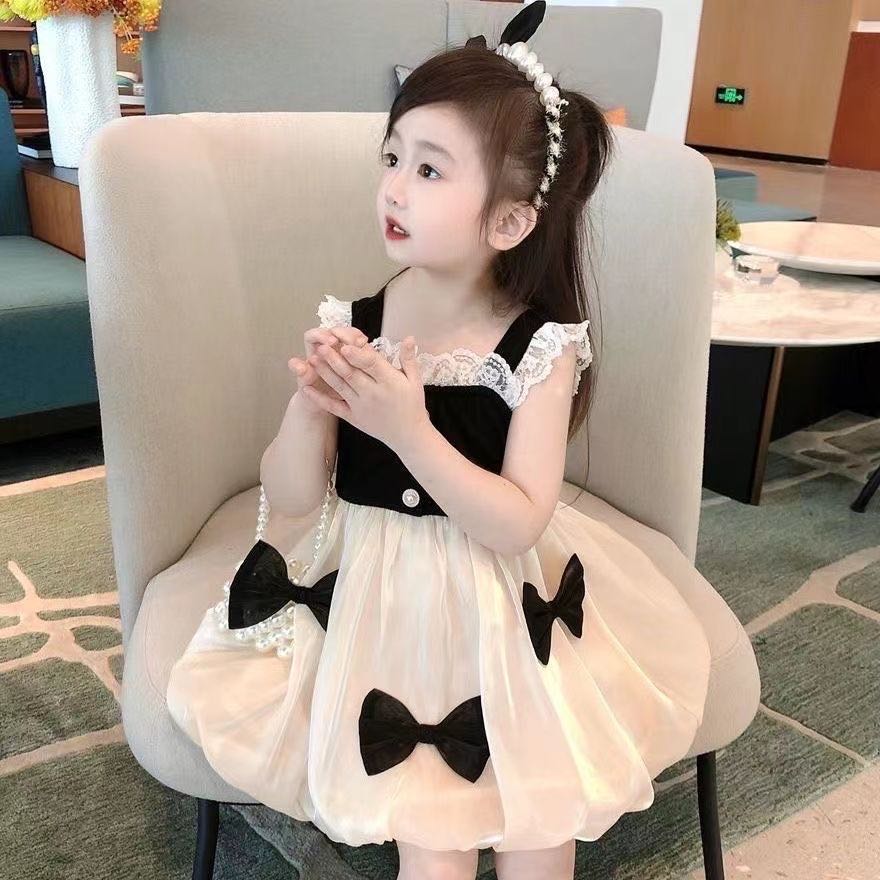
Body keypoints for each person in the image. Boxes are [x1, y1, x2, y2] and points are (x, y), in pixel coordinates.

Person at [165, 5, 712, 879]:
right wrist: (308, 410)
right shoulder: (359, 318)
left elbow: (518, 522)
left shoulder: (540, 348)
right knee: (431, 830)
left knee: (540, 816)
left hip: (495, 596)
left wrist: (409, 429)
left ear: (509, 222)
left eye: (428, 170)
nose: (394, 188)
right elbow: (294, 499)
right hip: (378, 600)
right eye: (391, 158)